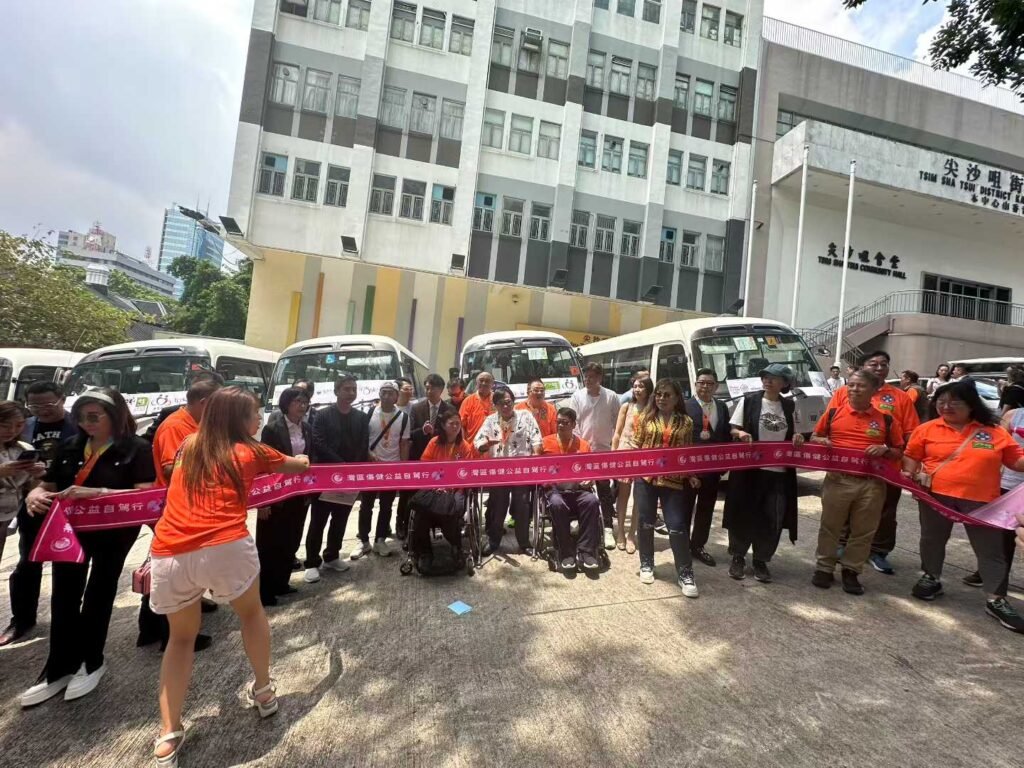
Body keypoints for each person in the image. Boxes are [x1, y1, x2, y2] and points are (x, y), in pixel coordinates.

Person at [148, 387, 309, 764]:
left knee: (180, 639)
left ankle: (169, 733)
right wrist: (303, 458)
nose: (260, 419)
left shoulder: (188, 445)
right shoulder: (252, 450)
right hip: (226, 546)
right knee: (251, 614)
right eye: (255, 413)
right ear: (238, 418)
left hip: (170, 551)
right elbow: (298, 465)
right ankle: (264, 691)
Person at [20, 388, 156, 707]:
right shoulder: (71, 445)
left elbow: (144, 495)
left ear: (115, 415)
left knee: (99, 593)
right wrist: (34, 494)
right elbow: (49, 483)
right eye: (81, 417)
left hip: (114, 532)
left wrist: (99, 493)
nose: (86, 423)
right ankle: (58, 667)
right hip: (70, 531)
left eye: (94, 416)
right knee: (64, 595)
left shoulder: (136, 448)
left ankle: (91, 661)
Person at [902, 380, 1024, 633]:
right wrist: (911, 475)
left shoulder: (993, 432)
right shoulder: (927, 429)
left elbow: (1015, 461)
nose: (946, 407)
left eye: (954, 402)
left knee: (990, 550)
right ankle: (931, 577)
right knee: (932, 539)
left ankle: (996, 599)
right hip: (935, 496)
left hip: (982, 502)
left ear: (971, 405)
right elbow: (911, 456)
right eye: (941, 402)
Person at [139, 378, 222, 652]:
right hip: (176, 508)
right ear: (205, 403)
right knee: (175, 570)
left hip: (191, 504)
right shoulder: (176, 426)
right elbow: (171, 468)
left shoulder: (197, 423)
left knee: (182, 566)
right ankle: (169, 633)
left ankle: (153, 626)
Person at [809, 369, 904, 594]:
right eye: (851, 385)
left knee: (863, 530)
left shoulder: (886, 419)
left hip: (871, 484)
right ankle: (824, 568)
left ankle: (851, 571)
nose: (854, 389)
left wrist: (885, 450)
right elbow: (814, 436)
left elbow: (899, 451)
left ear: (874, 390)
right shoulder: (834, 412)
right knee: (830, 527)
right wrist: (822, 441)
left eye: (860, 386)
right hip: (838, 480)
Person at [829, 351, 919, 575]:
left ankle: (878, 551)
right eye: (873, 364)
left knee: (886, 512)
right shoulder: (844, 392)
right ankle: (842, 545)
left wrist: (906, 463)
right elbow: (829, 425)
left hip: (887, 468)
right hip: (848, 466)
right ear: (862, 367)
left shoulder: (900, 397)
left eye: (884, 364)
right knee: (845, 509)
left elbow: (911, 433)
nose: (879, 368)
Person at [2, 382, 76, 647]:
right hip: (33, 504)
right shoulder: (23, 427)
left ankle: (66, 620)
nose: (42, 410)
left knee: (69, 563)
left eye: (48, 404)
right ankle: (21, 620)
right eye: (34, 405)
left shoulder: (80, 424)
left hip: (71, 502)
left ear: (62, 399)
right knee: (28, 562)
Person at [724, 364, 805, 584]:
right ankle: (738, 557)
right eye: (765, 377)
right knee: (743, 513)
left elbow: (797, 434)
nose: (768, 381)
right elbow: (733, 428)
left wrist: (798, 438)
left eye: (774, 378)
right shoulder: (749, 401)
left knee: (772, 517)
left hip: (778, 473)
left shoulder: (790, 406)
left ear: (784, 383)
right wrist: (741, 433)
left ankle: (761, 559)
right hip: (749, 471)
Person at [631, 378, 700, 596]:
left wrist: (692, 474)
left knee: (677, 525)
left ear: (677, 397)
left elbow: (687, 452)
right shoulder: (645, 417)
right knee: (646, 522)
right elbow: (636, 445)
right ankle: (646, 563)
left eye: (667, 395)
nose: (661, 398)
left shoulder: (686, 422)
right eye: (659, 394)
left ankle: (685, 573)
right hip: (646, 479)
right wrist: (629, 467)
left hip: (674, 480)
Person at [303, 375, 369, 583]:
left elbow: (363, 444)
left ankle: (331, 556)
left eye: (354, 389)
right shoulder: (322, 415)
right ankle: (312, 562)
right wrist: (340, 464)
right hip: (326, 476)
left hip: (349, 478)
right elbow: (318, 442)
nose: (351, 392)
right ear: (336, 391)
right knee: (318, 520)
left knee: (340, 519)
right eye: (347, 389)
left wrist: (352, 468)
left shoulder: (361, 417)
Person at [257, 387, 313, 606]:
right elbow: (263, 464)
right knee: (270, 543)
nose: (302, 405)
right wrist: (263, 502)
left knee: (291, 539)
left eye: (305, 401)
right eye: (297, 401)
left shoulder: (306, 428)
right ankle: (265, 591)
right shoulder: (272, 429)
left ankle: (282, 582)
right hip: (276, 495)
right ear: (286, 404)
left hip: (298, 494)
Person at [474, 386, 541, 555]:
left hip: (521, 470)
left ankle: (524, 543)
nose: (505, 406)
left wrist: (536, 454)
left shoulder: (525, 416)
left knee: (522, 506)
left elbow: (536, 438)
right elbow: (478, 442)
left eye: (508, 402)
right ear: (495, 405)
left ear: (513, 401)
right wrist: (485, 445)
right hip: (499, 471)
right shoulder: (490, 420)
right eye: (501, 403)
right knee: (498, 506)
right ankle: (494, 542)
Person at [538, 408, 603, 572]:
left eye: (565, 422)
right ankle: (566, 552)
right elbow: (537, 468)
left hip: (578, 489)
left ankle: (586, 552)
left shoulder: (584, 445)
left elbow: (591, 470)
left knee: (592, 501)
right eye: (558, 422)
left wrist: (590, 479)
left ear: (574, 424)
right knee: (556, 503)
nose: (560, 425)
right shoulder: (545, 443)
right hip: (555, 490)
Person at [351, 381, 410, 560]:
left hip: (391, 467)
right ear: (379, 394)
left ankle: (380, 539)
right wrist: (367, 453)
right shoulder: (369, 413)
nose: (386, 396)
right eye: (383, 392)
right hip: (371, 467)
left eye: (390, 393)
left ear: (396, 396)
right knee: (366, 505)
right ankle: (363, 540)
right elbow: (361, 439)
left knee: (386, 506)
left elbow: (404, 443)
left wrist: (403, 468)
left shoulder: (403, 417)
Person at [570, 362, 622, 549]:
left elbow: (617, 422)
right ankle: (580, 522)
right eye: (586, 376)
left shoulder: (611, 396)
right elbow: (574, 424)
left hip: (604, 451)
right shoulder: (577, 396)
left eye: (592, 376)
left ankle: (607, 527)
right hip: (582, 451)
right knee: (581, 488)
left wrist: (615, 447)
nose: (588, 380)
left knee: (604, 489)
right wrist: (579, 448)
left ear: (600, 378)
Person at [398, 373, 457, 539]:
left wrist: (437, 432)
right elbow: (409, 433)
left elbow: (453, 433)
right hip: (418, 457)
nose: (429, 391)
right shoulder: (416, 408)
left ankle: (435, 524)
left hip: (440, 459)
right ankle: (402, 525)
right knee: (409, 494)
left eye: (432, 388)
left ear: (441, 389)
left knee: (435, 494)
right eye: (427, 388)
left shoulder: (449, 409)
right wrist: (422, 431)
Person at [415, 410, 476, 571]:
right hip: (433, 488)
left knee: (453, 508)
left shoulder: (464, 446)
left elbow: (466, 473)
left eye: (458, 423)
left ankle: (456, 547)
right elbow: (425, 467)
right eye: (452, 423)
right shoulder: (434, 443)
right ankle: (425, 553)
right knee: (421, 512)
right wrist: (436, 485)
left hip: (455, 490)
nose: (456, 426)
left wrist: (450, 487)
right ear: (443, 425)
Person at [683, 369, 732, 567]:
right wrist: (687, 470)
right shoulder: (685, 407)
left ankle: (698, 546)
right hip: (690, 471)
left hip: (712, 470)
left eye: (710, 383)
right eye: (701, 382)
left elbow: (725, 435)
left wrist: (723, 466)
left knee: (706, 510)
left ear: (716, 386)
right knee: (685, 509)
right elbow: (681, 440)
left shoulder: (722, 407)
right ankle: (682, 546)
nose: (705, 386)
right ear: (695, 384)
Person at [612, 376, 653, 553]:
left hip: (643, 457)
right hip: (625, 453)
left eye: (641, 386)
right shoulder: (626, 407)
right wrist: (613, 453)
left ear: (648, 389)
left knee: (639, 496)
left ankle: (631, 534)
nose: (637, 390)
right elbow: (617, 433)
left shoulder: (653, 410)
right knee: (623, 495)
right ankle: (620, 531)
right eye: (635, 386)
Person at [0, 402, 39, 561]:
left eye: (19, 425)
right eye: (5, 425)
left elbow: (29, 485)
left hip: (6, 515)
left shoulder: (23, 449)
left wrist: (38, 473)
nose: (12, 430)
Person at [459, 372, 495, 442]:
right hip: (472, 445)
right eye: (481, 380)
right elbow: (461, 425)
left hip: (494, 445)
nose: (484, 383)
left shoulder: (497, 400)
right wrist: (463, 444)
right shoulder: (467, 401)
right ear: (476, 383)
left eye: (487, 381)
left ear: (492, 384)